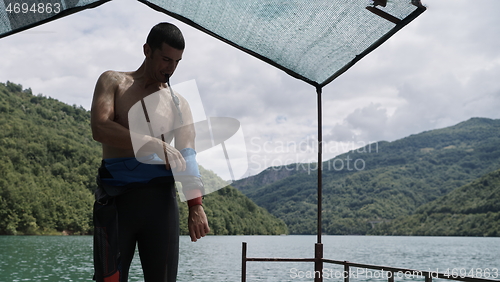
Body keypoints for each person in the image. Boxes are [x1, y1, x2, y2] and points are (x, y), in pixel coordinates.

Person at [90, 22, 210, 282]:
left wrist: (195, 206)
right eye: (166, 59)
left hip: (160, 204)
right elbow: (100, 128)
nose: (170, 68)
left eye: (177, 61)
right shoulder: (113, 82)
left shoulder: (180, 105)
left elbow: (187, 154)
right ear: (147, 50)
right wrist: (152, 143)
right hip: (116, 200)